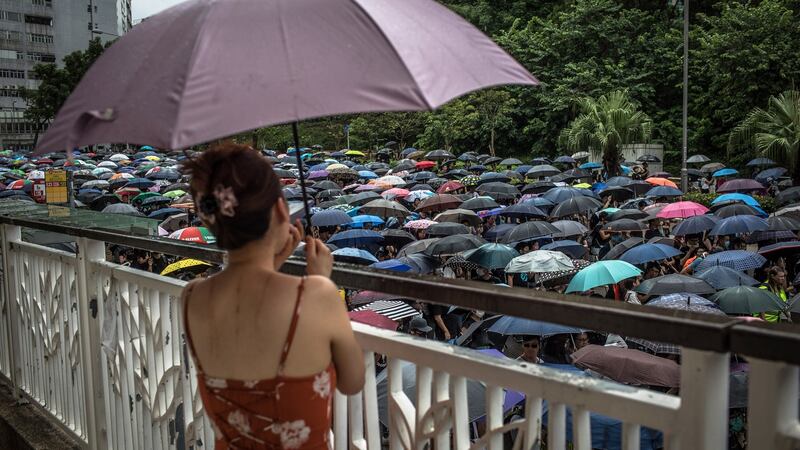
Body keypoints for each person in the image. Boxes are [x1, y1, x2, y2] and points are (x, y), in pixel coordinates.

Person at [180, 143, 364, 449]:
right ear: (281, 210)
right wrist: (318, 280)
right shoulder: (316, 295)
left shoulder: (191, 298)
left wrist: (273, 263)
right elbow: (352, 381)